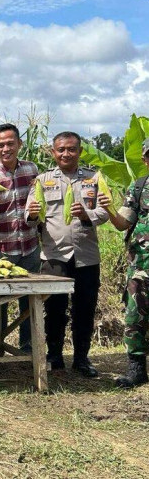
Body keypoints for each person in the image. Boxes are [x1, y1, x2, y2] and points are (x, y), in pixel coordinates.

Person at [26, 131, 108, 377]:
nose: (66, 154)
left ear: (80, 151)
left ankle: (82, 359)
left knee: (85, 308)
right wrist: (30, 213)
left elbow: (105, 212)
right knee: (54, 310)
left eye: (71, 149)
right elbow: (30, 218)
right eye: (61, 149)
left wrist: (87, 215)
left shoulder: (93, 179)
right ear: (54, 152)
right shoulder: (42, 180)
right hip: (54, 255)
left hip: (86, 255)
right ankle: (54, 356)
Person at [0, 123, 40, 354]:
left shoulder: (32, 170)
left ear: (19, 144)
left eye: (10, 143)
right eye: (1, 145)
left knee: (28, 301)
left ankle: (27, 347)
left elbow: (38, 204)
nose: (6, 148)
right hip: (0, 249)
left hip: (30, 245)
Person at [98, 138, 149, 388]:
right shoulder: (138, 187)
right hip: (141, 266)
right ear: (144, 159)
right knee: (135, 315)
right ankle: (137, 368)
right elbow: (122, 224)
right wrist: (108, 209)